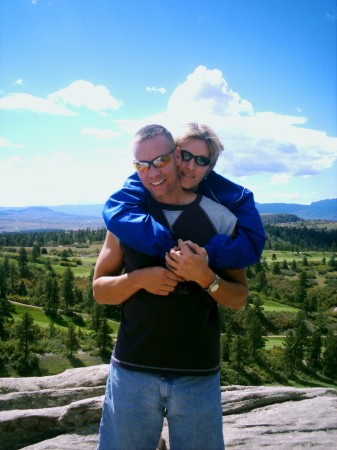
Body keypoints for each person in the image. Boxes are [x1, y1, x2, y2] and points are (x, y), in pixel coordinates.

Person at [93, 124, 248, 450]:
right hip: (132, 372)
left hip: (198, 376)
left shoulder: (220, 219)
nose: (153, 172)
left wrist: (206, 277)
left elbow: (239, 298)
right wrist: (137, 279)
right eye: (141, 164)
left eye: (198, 161)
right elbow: (100, 289)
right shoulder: (128, 214)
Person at [102, 122, 266, 270]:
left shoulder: (234, 196)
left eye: (201, 160)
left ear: (210, 167)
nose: (190, 167)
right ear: (175, 155)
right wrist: (169, 247)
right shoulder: (149, 176)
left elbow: (252, 242)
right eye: (186, 156)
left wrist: (206, 254)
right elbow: (118, 208)